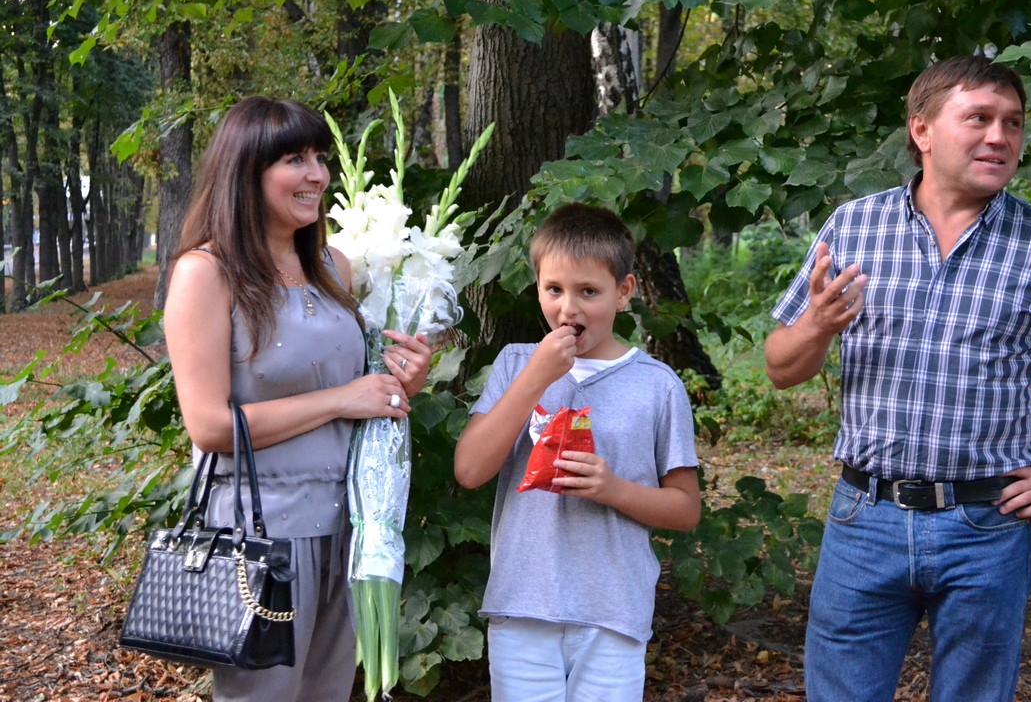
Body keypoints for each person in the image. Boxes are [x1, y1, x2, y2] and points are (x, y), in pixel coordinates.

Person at [764, 56, 1031, 702]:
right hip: (864, 521)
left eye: (1013, 122)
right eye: (978, 118)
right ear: (922, 130)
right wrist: (816, 325)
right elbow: (781, 367)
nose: (999, 137)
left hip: (987, 528)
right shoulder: (854, 227)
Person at [162, 96, 432, 701]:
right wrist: (341, 399)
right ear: (246, 172)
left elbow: (357, 395)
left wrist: (397, 384)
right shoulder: (206, 273)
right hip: (262, 537)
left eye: (319, 158)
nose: (317, 175)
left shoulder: (333, 267)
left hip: (350, 529)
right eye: (294, 160)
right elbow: (209, 426)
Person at [454, 203, 702, 701]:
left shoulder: (657, 385)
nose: (568, 309)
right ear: (537, 287)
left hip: (613, 613)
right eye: (554, 289)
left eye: (588, 291)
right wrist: (537, 377)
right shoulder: (516, 364)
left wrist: (613, 489)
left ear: (624, 292)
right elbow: (470, 470)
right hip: (522, 605)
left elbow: (685, 509)